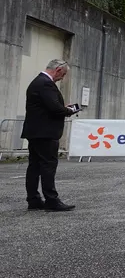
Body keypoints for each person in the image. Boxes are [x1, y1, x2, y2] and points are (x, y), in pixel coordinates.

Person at [22, 59, 80, 211]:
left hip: (35, 131)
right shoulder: (46, 84)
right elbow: (55, 108)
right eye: (63, 74)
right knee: (48, 166)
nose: (62, 78)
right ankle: (51, 200)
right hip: (46, 133)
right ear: (58, 70)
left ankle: (33, 199)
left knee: (34, 167)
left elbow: (48, 106)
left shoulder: (37, 82)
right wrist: (70, 110)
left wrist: (61, 107)